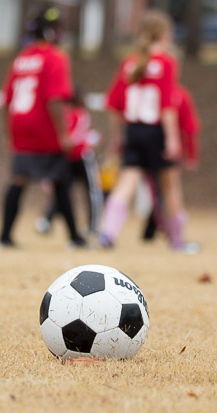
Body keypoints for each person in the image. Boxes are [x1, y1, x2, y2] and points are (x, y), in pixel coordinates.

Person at [99, 9, 199, 253]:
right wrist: (173, 139)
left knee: (127, 182)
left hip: (133, 130)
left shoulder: (129, 63)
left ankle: (107, 233)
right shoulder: (166, 62)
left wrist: (119, 136)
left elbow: (113, 104)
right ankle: (178, 241)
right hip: (157, 132)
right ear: (165, 34)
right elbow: (167, 105)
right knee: (170, 185)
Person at [0, 5, 86, 249]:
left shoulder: (23, 57)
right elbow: (55, 99)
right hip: (44, 124)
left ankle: (3, 237)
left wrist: (9, 132)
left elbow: (6, 100)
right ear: (52, 31)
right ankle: (75, 237)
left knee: (19, 179)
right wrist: (64, 134)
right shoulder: (55, 57)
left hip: (20, 123)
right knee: (60, 179)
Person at [35, 87, 103, 236]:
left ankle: (47, 221)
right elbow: (77, 135)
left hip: (67, 157)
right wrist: (86, 140)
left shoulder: (66, 114)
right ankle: (92, 227)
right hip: (80, 157)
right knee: (90, 191)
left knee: (64, 192)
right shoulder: (80, 114)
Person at [142, 83, 201, 241]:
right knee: (168, 191)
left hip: (149, 148)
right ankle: (174, 235)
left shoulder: (150, 92)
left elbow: (188, 126)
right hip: (166, 150)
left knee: (159, 193)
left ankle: (168, 232)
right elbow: (189, 126)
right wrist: (190, 154)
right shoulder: (176, 95)